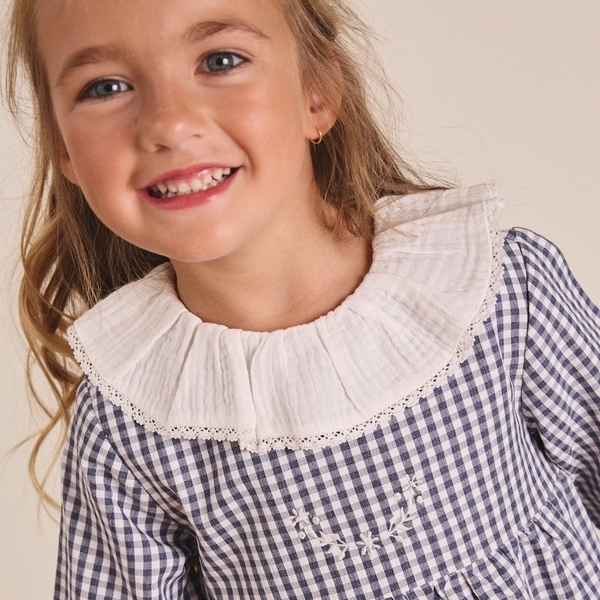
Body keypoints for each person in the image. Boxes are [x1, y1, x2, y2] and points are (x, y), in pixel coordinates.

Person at [5, 0, 600, 597]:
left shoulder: (494, 290)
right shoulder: (130, 423)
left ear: (315, 93)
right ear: (64, 150)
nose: (167, 123)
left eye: (220, 60)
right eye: (105, 86)